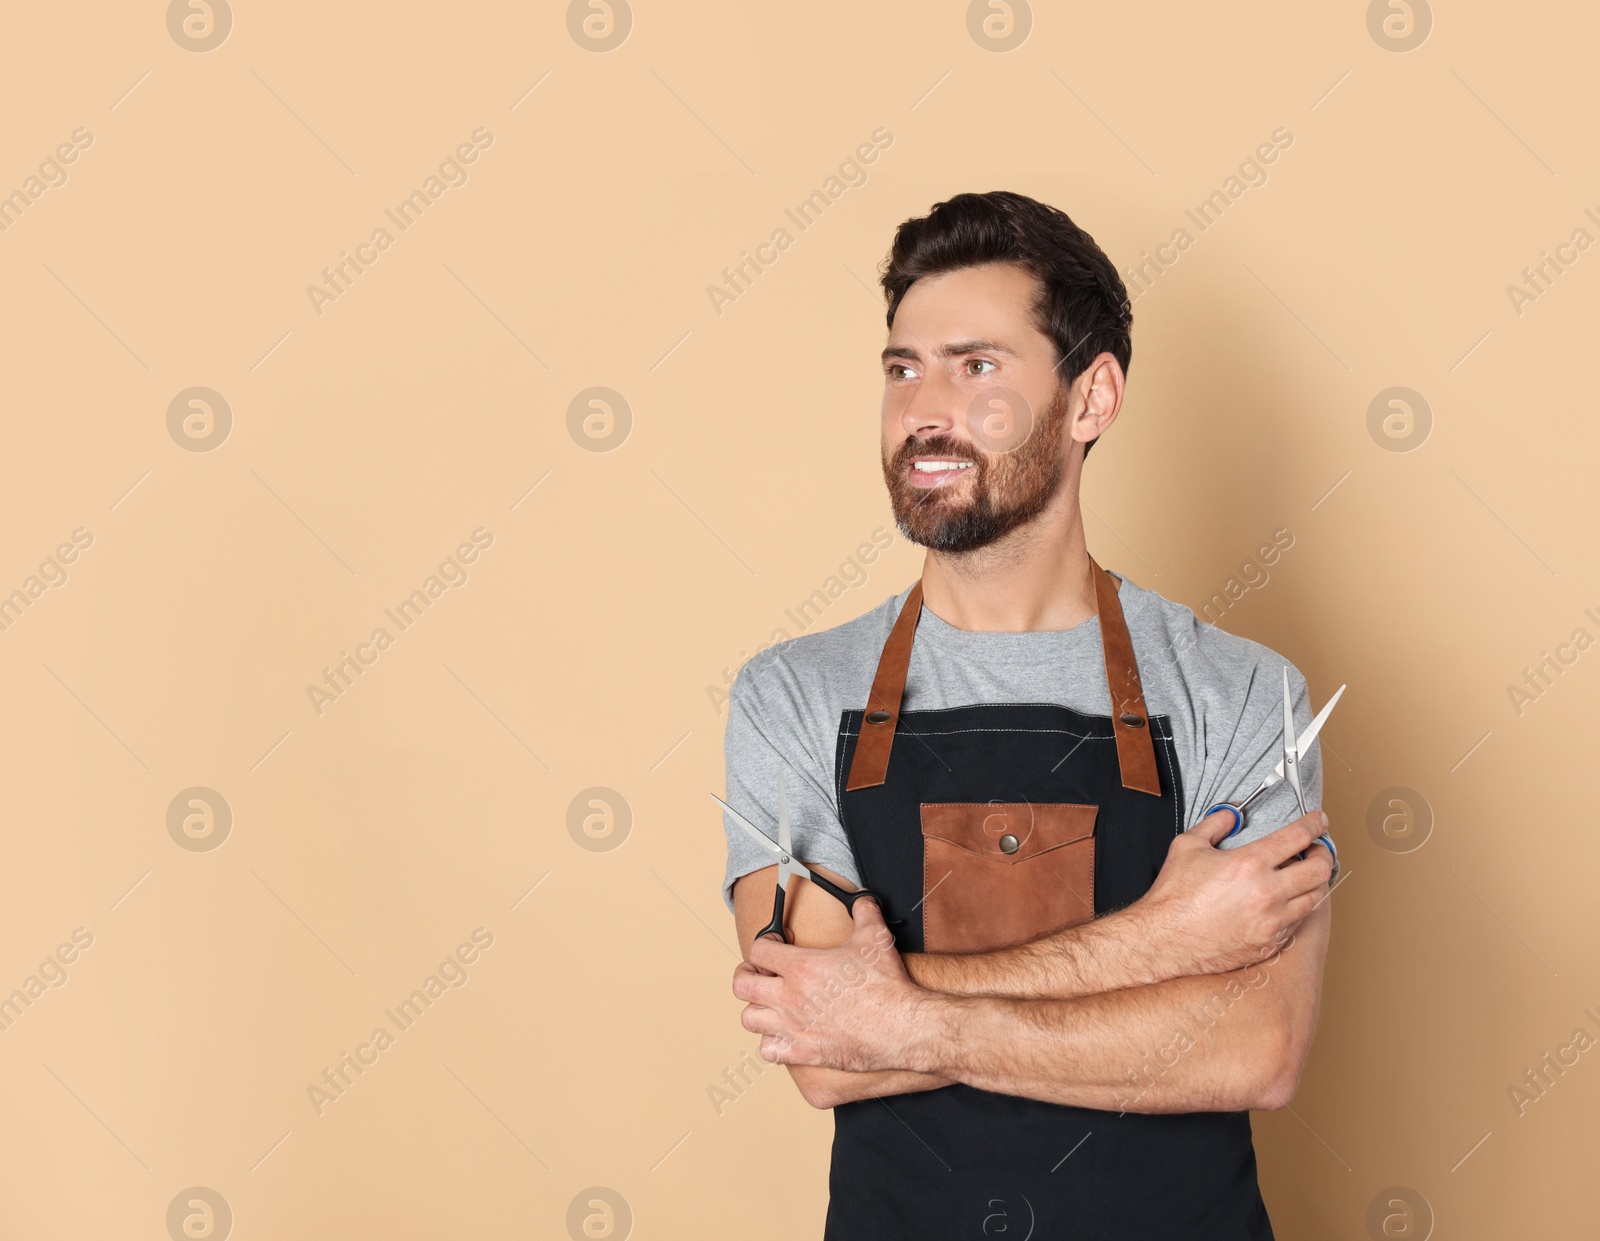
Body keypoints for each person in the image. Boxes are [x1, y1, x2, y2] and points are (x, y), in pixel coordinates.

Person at [719, 190, 1336, 1240]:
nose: (924, 408)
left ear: (1091, 398)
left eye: (977, 366)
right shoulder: (794, 694)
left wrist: (898, 1015)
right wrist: (1154, 942)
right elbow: (822, 1050)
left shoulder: (1240, 692)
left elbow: (1252, 1048)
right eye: (902, 368)